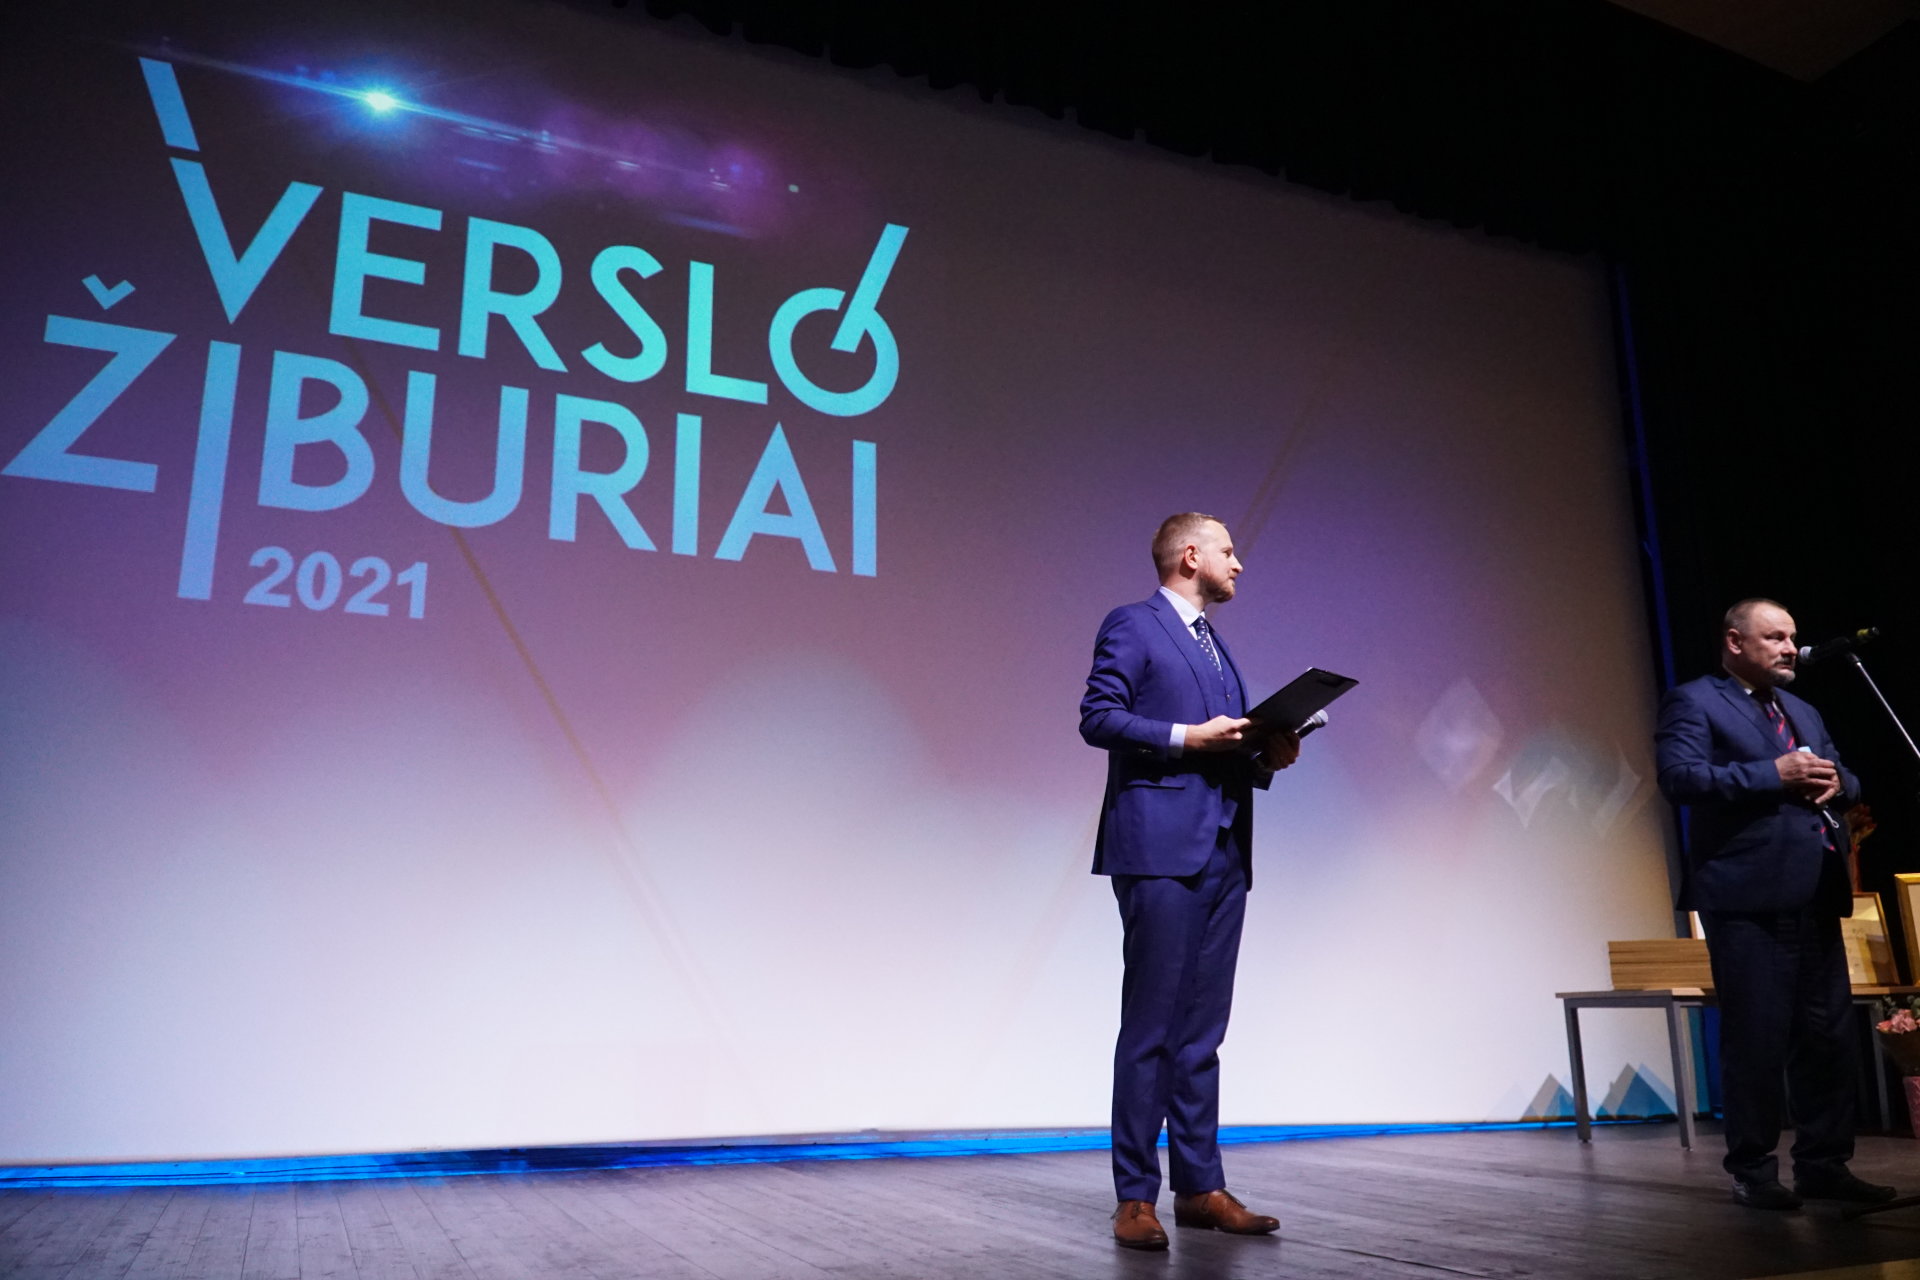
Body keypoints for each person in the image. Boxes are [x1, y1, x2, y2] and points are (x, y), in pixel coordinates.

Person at [1079, 512, 1299, 1250]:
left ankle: (1200, 1187)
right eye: (1227, 552)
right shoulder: (1134, 624)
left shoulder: (1214, 642)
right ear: (1190, 555)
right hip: (1160, 849)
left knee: (1202, 1033)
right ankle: (1134, 1197)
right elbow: (1098, 717)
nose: (1238, 564)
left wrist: (1266, 754)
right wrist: (1186, 737)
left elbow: (1225, 748)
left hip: (1224, 850)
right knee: (1151, 1030)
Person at [1654, 598, 1895, 1210]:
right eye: (1775, 637)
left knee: (1827, 1039)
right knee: (1756, 1039)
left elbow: (1846, 777)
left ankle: (1824, 1166)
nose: (1791, 648)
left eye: (1792, 637)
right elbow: (1679, 778)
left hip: (1815, 890)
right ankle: (1754, 1171)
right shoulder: (1696, 700)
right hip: (1748, 896)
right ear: (1735, 642)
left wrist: (1841, 783)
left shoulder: (1802, 710)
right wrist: (1773, 774)